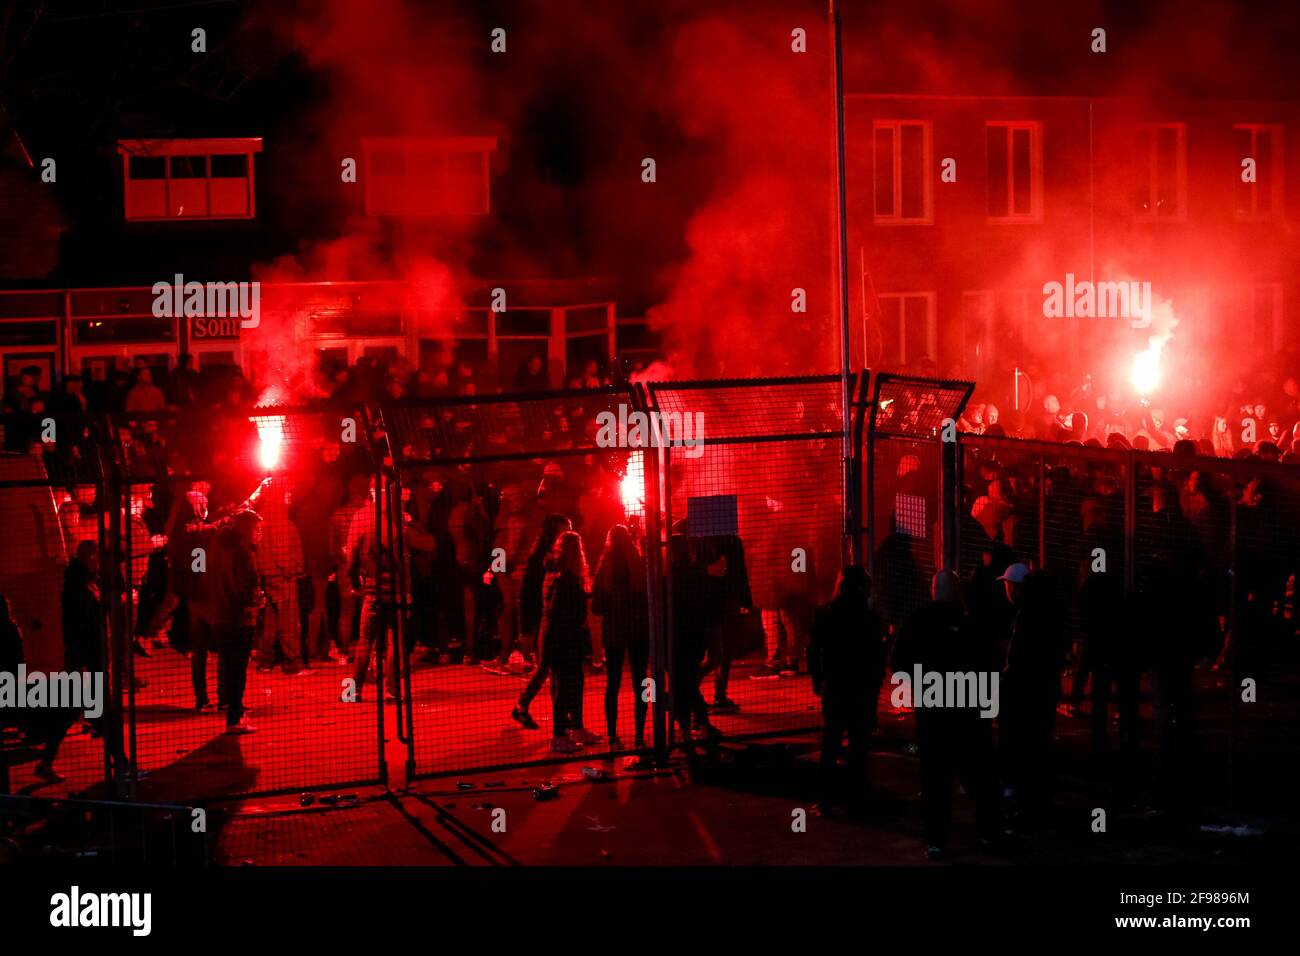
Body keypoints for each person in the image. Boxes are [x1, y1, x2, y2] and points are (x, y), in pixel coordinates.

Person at [892, 571, 1000, 859]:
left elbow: (898, 662)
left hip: (933, 713)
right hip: (968, 712)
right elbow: (990, 664)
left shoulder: (916, 622)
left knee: (935, 780)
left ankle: (936, 840)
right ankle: (988, 834)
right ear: (955, 592)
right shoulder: (971, 622)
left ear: (932, 591)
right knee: (980, 776)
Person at [807, 565, 885, 816]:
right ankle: (856, 798)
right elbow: (877, 656)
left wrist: (818, 679)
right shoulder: (869, 616)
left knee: (830, 742)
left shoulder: (826, 613)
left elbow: (813, 649)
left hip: (835, 685)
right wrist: (876, 685)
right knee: (859, 744)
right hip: (861, 687)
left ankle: (825, 800)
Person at [997, 562, 1064, 828]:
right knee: (1041, 741)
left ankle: (1026, 802)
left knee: (1022, 742)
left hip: (1026, 689)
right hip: (1045, 687)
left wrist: (1007, 676)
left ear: (1014, 587)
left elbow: (1018, 656)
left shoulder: (1025, 614)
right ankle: (1042, 799)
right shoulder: (1048, 608)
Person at [1, 595, 76, 783]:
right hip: (10, 693)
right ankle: (46, 761)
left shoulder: (10, 629)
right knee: (66, 709)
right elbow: (16, 666)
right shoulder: (9, 629)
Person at [510, 514, 572, 729]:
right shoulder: (546, 560)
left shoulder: (549, 556)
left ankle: (559, 713)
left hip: (545, 618)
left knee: (551, 667)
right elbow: (531, 592)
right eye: (566, 528)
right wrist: (528, 625)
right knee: (549, 666)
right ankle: (525, 706)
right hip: (545, 619)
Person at [591, 525, 650, 749]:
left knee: (612, 684)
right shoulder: (639, 566)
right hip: (638, 630)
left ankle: (613, 736)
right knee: (642, 682)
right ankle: (640, 734)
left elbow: (596, 608)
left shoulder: (604, 569)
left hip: (614, 631)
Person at [539, 531, 595, 752]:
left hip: (561, 640)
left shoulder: (561, 577)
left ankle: (574, 729)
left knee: (572, 684)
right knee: (566, 687)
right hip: (565, 641)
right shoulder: (567, 580)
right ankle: (559, 734)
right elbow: (565, 615)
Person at [209, 511, 263, 734]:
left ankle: (232, 709)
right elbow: (244, 586)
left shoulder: (219, 547)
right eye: (257, 529)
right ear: (246, 529)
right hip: (239, 618)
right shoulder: (242, 553)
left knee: (228, 664)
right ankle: (235, 717)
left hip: (221, 614)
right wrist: (256, 600)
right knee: (238, 667)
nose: (260, 534)